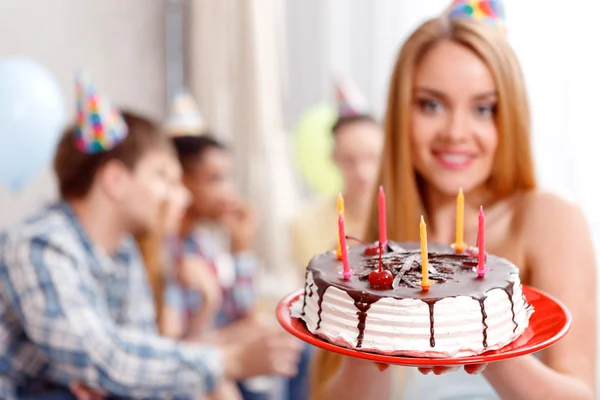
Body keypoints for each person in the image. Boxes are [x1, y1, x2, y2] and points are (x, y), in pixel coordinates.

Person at [311, 1, 597, 399]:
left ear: (509, 117)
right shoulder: (363, 256)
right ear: (400, 114)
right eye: (431, 104)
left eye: (483, 108)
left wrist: (476, 323)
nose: (457, 132)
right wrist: (370, 314)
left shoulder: (549, 220)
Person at [0, 75, 301, 400]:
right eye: (162, 176)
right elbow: (104, 358)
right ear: (115, 180)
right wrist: (229, 360)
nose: (180, 197)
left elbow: (139, 352)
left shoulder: (123, 252)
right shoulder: (37, 245)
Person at [290, 74, 385, 274]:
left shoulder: (411, 211)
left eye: (371, 158)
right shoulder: (306, 222)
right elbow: (309, 291)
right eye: (349, 159)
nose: (362, 171)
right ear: (334, 158)